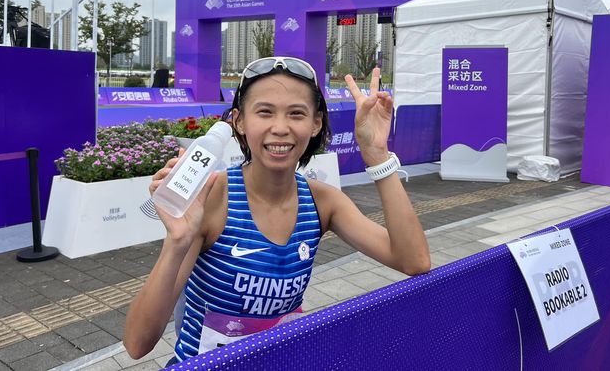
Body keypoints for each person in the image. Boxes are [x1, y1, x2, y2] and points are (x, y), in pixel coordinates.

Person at [124, 57, 430, 363]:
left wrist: (377, 154)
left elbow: (414, 261)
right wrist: (177, 241)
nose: (280, 128)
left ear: (316, 123)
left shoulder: (323, 202)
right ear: (239, 121)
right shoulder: (213, 197)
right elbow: (137, 344)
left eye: (296, 113)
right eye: (264, 112)